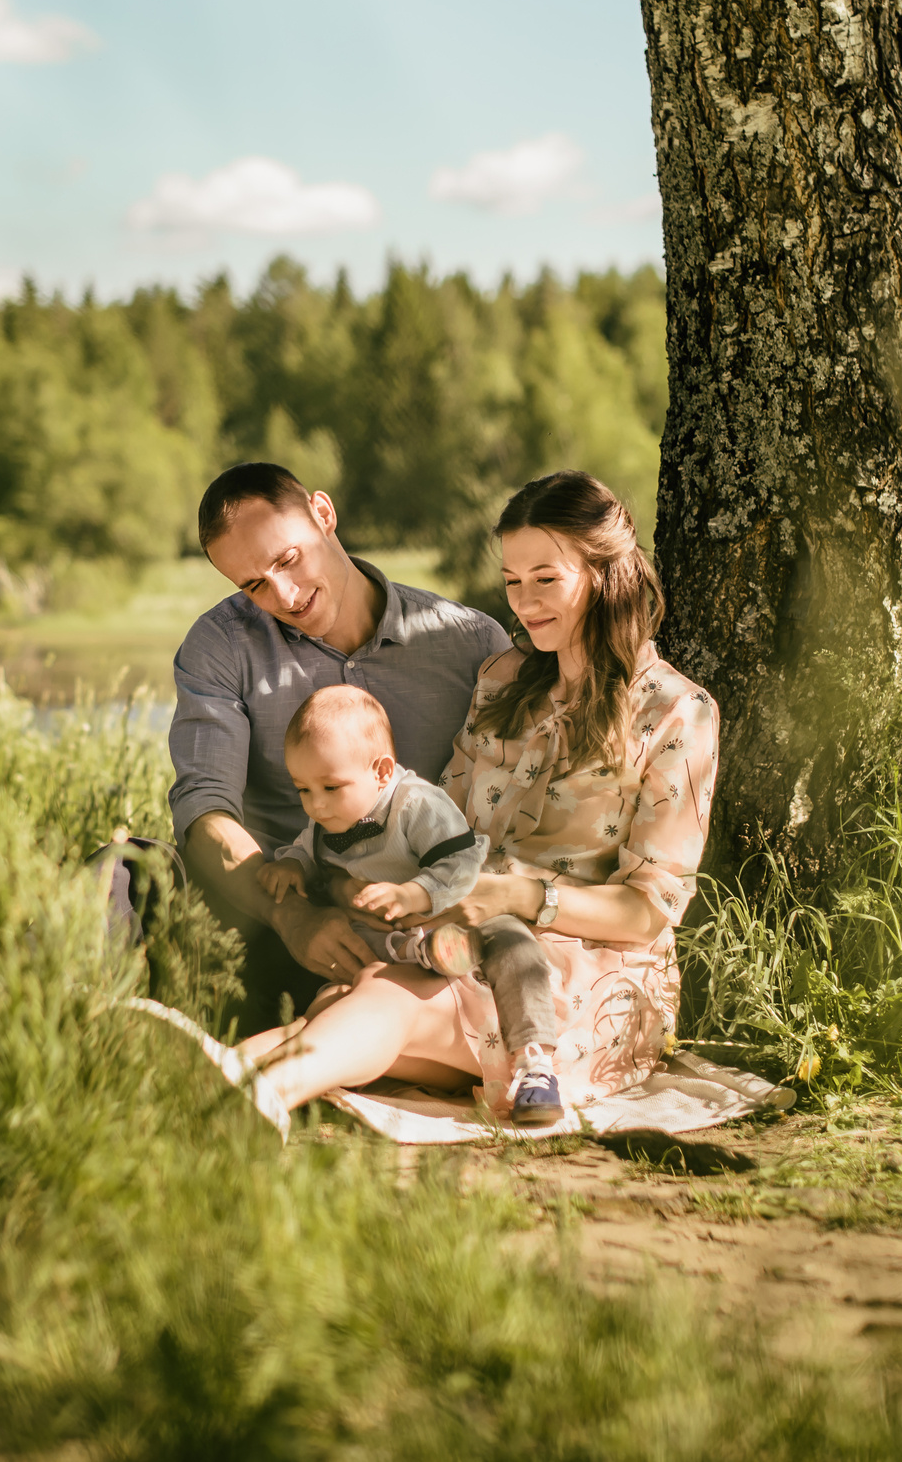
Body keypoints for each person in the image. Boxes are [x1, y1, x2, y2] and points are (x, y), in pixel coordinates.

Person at [235, 470, 718, 1122]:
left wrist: (521, 896)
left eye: (545, 578)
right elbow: (438, 827)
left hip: (588, 983)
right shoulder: (502, 679)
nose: (523, 602)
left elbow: (648, 911)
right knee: (363, 990)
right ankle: (221, 1077)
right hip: (469, 939)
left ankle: (251, 1085)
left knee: (391, 997)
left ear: (605, 573)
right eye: (512, 581)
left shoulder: (678, 712)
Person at [168, 463, 511, 1024]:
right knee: (129, 874)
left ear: (323, 516)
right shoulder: (220, 645)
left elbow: (505, 811)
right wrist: (293, 917)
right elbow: (206, 807)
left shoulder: (472, 643)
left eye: (287, 559)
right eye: (253, 584)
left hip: (411, 927)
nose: (283, 594)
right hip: (270, 907)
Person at [260, 685, 565, 1125]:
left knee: (512, 942)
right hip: (386, 936)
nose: (317, 805)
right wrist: (291, 866)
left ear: (382, 771)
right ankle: (425, 953)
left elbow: (462, 862)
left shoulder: (417, 804)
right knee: (337, 995)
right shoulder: (328, 816)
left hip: (454, 910)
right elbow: (306, 851)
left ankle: (535, 1062)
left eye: (329, 787)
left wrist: (412, 893)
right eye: (303, 790)